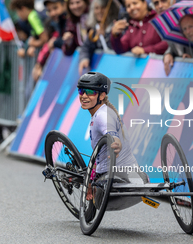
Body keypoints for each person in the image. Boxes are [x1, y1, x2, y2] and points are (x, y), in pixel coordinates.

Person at [77, 72, 149, 202]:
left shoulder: (102, 116)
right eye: (81, 91)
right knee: (89, 173)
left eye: (90, 92)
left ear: (102, 95)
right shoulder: (103, 112)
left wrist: (116, 143)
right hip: (137, 177)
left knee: (92, 191)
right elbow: (98, 157)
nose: (84, 96)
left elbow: (111, 133)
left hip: (116, 181)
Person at [78, 0, 119, 74]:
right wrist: (84, 58)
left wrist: (106, 36)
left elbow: (118, 48)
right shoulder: (95, 29)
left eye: (103, 7)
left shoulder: (117, 26)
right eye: (96, 8)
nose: (99, 11)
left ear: (110, 9)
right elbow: (86, 47)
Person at [32, 0, 67, 82]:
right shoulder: (51, 24)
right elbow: (47, 45)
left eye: (55, 8)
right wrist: (39, 63)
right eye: (49, 10)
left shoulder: (68, 22)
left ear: (64, 5)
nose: (53, 13)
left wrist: (55, 42)